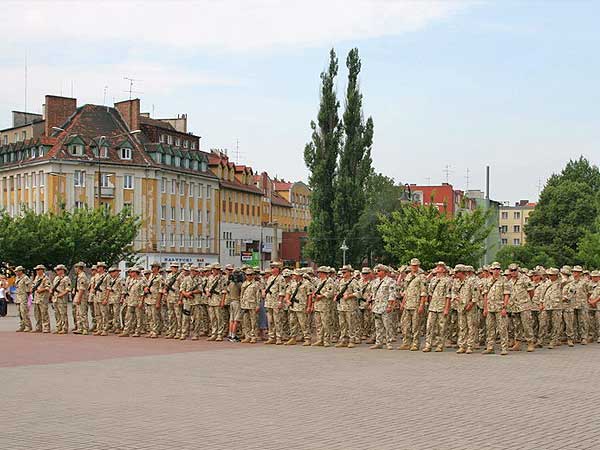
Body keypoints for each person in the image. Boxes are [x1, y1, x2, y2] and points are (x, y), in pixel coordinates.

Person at [369, 264, 397, 350]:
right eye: (377, 270)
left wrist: (390, 305)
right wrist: (371, 304)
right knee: (378, 325)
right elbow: (373, 294)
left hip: (385, 306)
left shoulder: (390, 281)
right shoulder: (375, 281)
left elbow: (392, 294)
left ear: (385, 272)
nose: (377, 272)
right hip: (377, 306)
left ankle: (389, 342)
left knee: (387, 325)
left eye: (379, 270)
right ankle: (379, 342)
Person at [334, 265, 361, 348]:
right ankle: (343, 340)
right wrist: (336, 295)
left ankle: (352, 340)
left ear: (349, 272)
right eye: (342, 271)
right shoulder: (340, 281)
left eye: (344, 271)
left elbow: (359, 293)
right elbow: (337, 290)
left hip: (350, 307)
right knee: (342, 324)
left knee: (351, 324)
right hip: (341, 306)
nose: (343, 273)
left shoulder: (353, 281)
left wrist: (350, 295)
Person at [51, 264, 72, 334]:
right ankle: (58, 327)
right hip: (55, 298)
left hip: (62, 298)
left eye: (58, 269)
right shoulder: (56, 278)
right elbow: (53, 287)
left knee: (63, 313)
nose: (57, 271)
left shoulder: (66, 278)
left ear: (63, 270)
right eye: (57, 270)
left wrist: (61, 294)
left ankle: (64, 328)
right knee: (57, 314)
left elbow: (68, 289)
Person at [31, 265, 52, 333]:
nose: (37, 271)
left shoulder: (46, 278)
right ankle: (38, 327)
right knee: (37, 314)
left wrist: (41, 290)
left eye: (38, 269)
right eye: (36, 270)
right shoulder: (37, 277)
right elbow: (33, 285)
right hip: (36, 298)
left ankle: (46, 327)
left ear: (42, 270)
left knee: (44, 313)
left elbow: (48, 287)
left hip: (43, 298)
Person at [72, 262, 90, 335]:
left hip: (81, 296)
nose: (75, 269)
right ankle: (80, 328)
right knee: (78, 313)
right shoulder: (79, 276)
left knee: (82, 313)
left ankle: (85, 328)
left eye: (76, 268)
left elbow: (82, 289)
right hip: (77, 294)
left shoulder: (82, 276)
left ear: (79, 268)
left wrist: (79, 298)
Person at [14, 266, 32, 332]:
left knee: (24, 311)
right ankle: (22, 325)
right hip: (18, 296)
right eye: (16, 271)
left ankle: (28, 326)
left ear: (21, 271)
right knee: (20, 312)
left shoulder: (25, 278)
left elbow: (29, 286)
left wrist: (27, 294)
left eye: (17, 271)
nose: (16, 272)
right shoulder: (17, 278)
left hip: (23, 296)